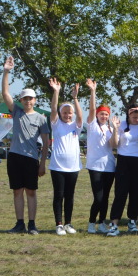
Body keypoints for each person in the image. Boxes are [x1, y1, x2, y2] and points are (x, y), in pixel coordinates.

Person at [1, 56, 51, 234]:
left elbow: (45, 144)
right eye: (24, 99)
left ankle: (32, 224)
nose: (28, 101)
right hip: (14, 157)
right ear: (21, 101)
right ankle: (19, 223)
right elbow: (5, 94)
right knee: (17, 191)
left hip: (31, 159)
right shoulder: (16, 112)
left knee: (31, 192)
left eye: (30, 99)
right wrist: (6, 71)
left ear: (35, 100)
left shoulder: (41, 118)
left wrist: (43, 163)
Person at [107, 101, 138, 235]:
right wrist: (115, 129)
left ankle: (132, 221)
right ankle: (114, 223)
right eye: (134, 117)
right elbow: (114, 144)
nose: (137, 119)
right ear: (129, 114)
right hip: (123, 161)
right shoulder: (122, 125)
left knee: (136, 194)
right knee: (120, 193)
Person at [47, 78, 82, 235]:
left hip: (73, 167)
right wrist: (56, 91)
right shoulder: (56, 124)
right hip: (57, 167)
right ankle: (59, 224)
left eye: (70, 113)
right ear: (61, 113)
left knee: (70, 195)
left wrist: (75, 98)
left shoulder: (76, 126)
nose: (68, 115)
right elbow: (53, 109)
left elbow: (81, 117)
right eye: (65, 112)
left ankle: (68, 223)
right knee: (59, 195)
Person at [83, 79, 117, 233]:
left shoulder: (110, 128)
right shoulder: (92, 125)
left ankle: (102, 222)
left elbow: (113, 145)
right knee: (98, 197)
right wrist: (92, 91)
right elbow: (91, 109)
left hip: (109, 166)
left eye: (106, 114)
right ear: (97, 114)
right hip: (95, 165)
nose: (104, 116)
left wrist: (115, 129)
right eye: (102, 114)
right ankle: (91, 223)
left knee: (106, 197)